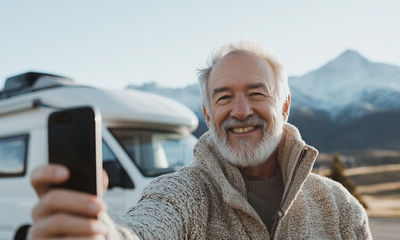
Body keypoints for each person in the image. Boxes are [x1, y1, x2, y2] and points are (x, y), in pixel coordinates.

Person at [30, 40, 372, 239]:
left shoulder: (338, 206)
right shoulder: (183, 194)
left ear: (283, 107)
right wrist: (102, 233)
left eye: (256, 93)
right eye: (223, 98)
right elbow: (146, 229)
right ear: (208, 116)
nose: (240, 111)